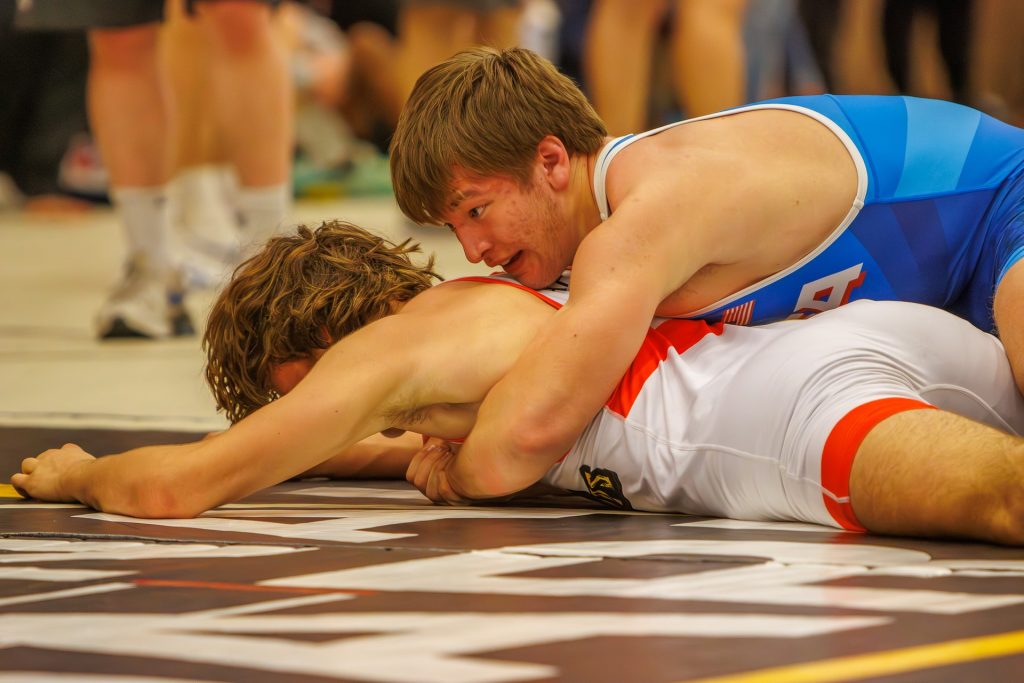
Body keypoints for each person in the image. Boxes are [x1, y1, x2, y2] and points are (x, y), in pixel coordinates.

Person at [11, 221, 1024, 546]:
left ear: (319, 334)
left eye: (290, 394)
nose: (302, 419)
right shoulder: (495, 312)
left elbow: (174, 488)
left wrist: (80, 474)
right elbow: (362, 449)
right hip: (865, 343)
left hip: (775, 419)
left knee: (1006, 500)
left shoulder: (390, 349)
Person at [387, 46, 1024, 492]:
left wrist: (455, 473)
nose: (472, 249)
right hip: (946, 296)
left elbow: (529, 434)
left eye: (476, 211)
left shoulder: (651, 210)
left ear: (551, 162)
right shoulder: (575, 252)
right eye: (453, 227)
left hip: (1004, 201)